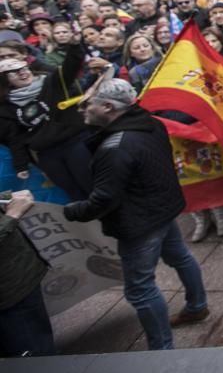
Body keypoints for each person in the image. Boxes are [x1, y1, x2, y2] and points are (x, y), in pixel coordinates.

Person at [64, 78, 208, 350]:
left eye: (88, 104)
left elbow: (104, 199)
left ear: (107, 107)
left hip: (140, 223)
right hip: (164, 209)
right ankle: (197, 306)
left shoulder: (115, 148)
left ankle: (161, 350)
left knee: (140, 289)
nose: (83, 108)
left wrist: (72, 212)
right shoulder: (150, 122)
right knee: (180, 257)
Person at [0, 40, 90, 200]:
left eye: (24, 68)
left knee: (92, 186)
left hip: (75, 143)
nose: (23, 73)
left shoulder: (51, 82)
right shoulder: (6, 105)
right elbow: (16, 137)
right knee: (74, 194)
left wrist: (75, 45)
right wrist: (21, 165)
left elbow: (71, 66)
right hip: (47, 155)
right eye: (14, 72)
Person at [0, 189, 54, 357]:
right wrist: (12, 214)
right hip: (10, 291)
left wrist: (6, 198)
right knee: (35, 354)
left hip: (15, 279)